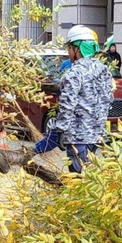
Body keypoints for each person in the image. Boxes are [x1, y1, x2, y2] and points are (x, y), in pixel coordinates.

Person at [44, 25, 113, 173]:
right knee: (90, 180)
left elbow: (67, 105)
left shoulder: (74, 73)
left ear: (77, 49)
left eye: (69, 48)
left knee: (78, 179)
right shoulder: (104, 70)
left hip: (78, 137)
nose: (68, 53)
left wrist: (59, 131)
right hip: (97, 135)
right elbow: (108, 100)